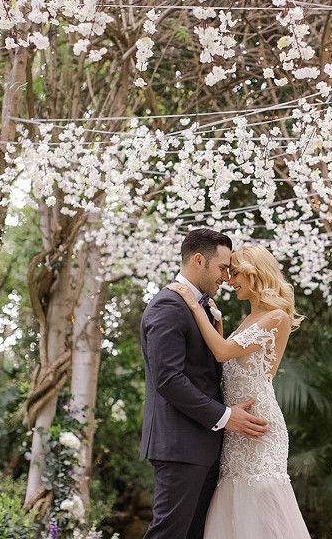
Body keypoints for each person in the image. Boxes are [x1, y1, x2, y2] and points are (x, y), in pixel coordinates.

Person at [167, 244, 311, 538]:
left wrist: (195, 307)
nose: (229, 282)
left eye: (235, 275)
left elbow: (222, 353)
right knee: (235, 505)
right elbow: (229, 364)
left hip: (258, 425)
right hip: (235, 425)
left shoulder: (276, 317)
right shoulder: (247, 320)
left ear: (255, 274)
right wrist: (217, 323)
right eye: (229, 274)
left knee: (259, 500)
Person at [140, 229, 269, 539]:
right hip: (180, 446)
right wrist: (225, 416)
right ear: (199, 260)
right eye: (223, 267)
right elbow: (169, 380)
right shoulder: (168, 306)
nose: (227, 276)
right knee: (168, 534)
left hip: (205, 445)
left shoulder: (203, 308)